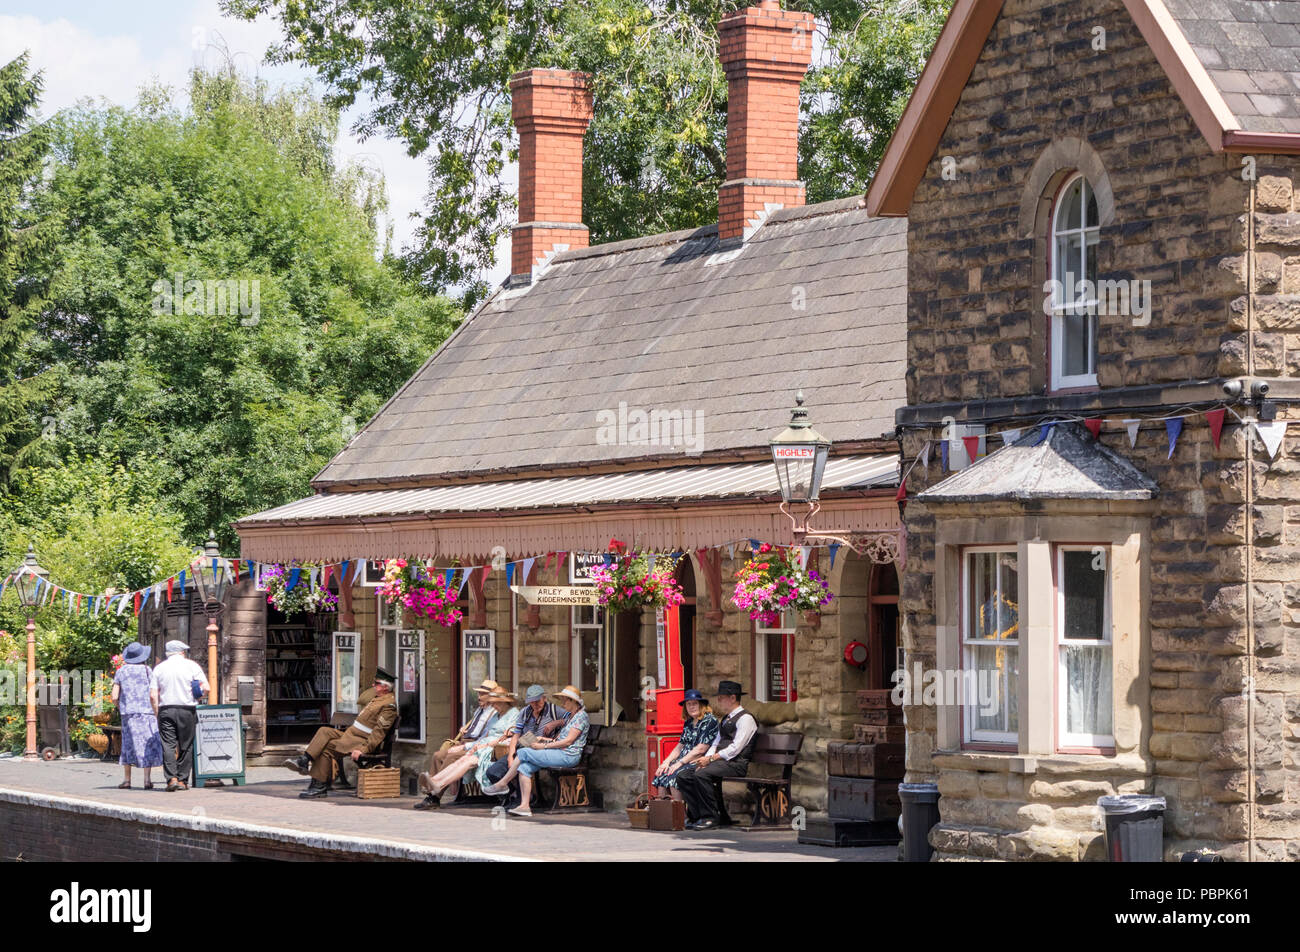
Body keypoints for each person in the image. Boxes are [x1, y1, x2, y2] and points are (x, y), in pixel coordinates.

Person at [284, 669, 398, 799]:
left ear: (385, 687)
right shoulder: (377, 698)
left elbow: (378, 733)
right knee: (324, 731)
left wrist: (363, 750)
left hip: (360, 740)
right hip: (351, 734)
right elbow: (362, 698)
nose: (373, 685)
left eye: (376, 683)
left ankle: (319, 786)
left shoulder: (389, 705)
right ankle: (304, 760)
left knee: (326, 748)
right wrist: (376, 689)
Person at [483, 685, 588, 818]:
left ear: (574, 701)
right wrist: (543, 739)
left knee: (524, 753)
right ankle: (525, 806)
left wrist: (543, 745)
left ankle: (503, 783)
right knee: (524, 767)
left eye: (565, 700)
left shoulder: (580, 716)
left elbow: (568, 742)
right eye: (531, 702)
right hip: (555, 750)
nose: (562, 703)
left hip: (567, 755)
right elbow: (518, 735)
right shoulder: (572, 716)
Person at [415, 688, 518, 809]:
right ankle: (435, 783)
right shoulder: (494, 714)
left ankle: (436, 786)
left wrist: (477, 745)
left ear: (504, 702)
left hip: (495, 749)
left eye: (494, 702)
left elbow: (505, 737)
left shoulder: (514, 714)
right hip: (480, 745)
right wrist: (472, 745)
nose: (492, 705)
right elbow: (486, 734)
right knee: (455, 758)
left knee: (461, 759)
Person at [674, 680, 757, 830]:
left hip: (736, 763)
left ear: (732, 698)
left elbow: (735, 748)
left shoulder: (746, 719)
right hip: (719, 762)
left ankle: (711, 817)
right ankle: (697, 815)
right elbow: (715, 743)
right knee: (683, 775)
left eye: (721, 697)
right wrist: (706, 759)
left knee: (702, 775)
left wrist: (711, 759)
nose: (718, 701)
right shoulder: (726, 718)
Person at [150, 640, 210, 792]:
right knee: (186, 745)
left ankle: (171, 779)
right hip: (187, 709)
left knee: (168, 745)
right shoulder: (192, 666)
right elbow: (207, 688)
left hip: (166, 709)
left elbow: (152, 695)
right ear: (182, 652)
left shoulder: (159, 668)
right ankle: (183, 780)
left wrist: (157, 711)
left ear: (167, 653)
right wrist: (198, 697)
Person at [111, 642, 163, 789]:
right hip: (147, 713)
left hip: (128, 714)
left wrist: (122, 707)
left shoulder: (121, 672)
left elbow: (114, 696)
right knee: (147, 744)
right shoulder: (148, 671)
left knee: (128, 745)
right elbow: (154, 693)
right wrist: (156, 711)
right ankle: (147, 780)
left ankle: (127, 780)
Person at [650, 689, 718, 802]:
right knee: (661, 776)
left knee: (673, 778)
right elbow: (680, 746)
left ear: (701, 705)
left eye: (695, 703)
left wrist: (679, 763)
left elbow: (701, 749)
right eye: (688, 704)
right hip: (683, 760)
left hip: (697, 761)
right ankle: (664, 814)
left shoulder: (709, 720)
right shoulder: (689, 722)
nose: (692, 707)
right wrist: (666, 762)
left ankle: (680, 816)